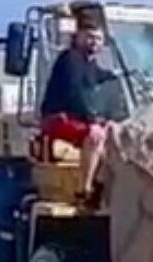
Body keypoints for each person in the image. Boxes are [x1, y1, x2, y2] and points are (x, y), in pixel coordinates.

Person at [39, 17, 119, 204]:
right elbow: (75, 94)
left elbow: (102, 77)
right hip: (57, 119)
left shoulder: (90, 64)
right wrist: (93, 119)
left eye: (98, 39)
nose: (94, 42)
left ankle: (103, 182)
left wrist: (120, 77)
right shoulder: (70, 60)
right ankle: (86, 188)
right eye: (89, 37)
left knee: (115, 131)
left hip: (76, 119)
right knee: (95, 134)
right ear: (78, 37)